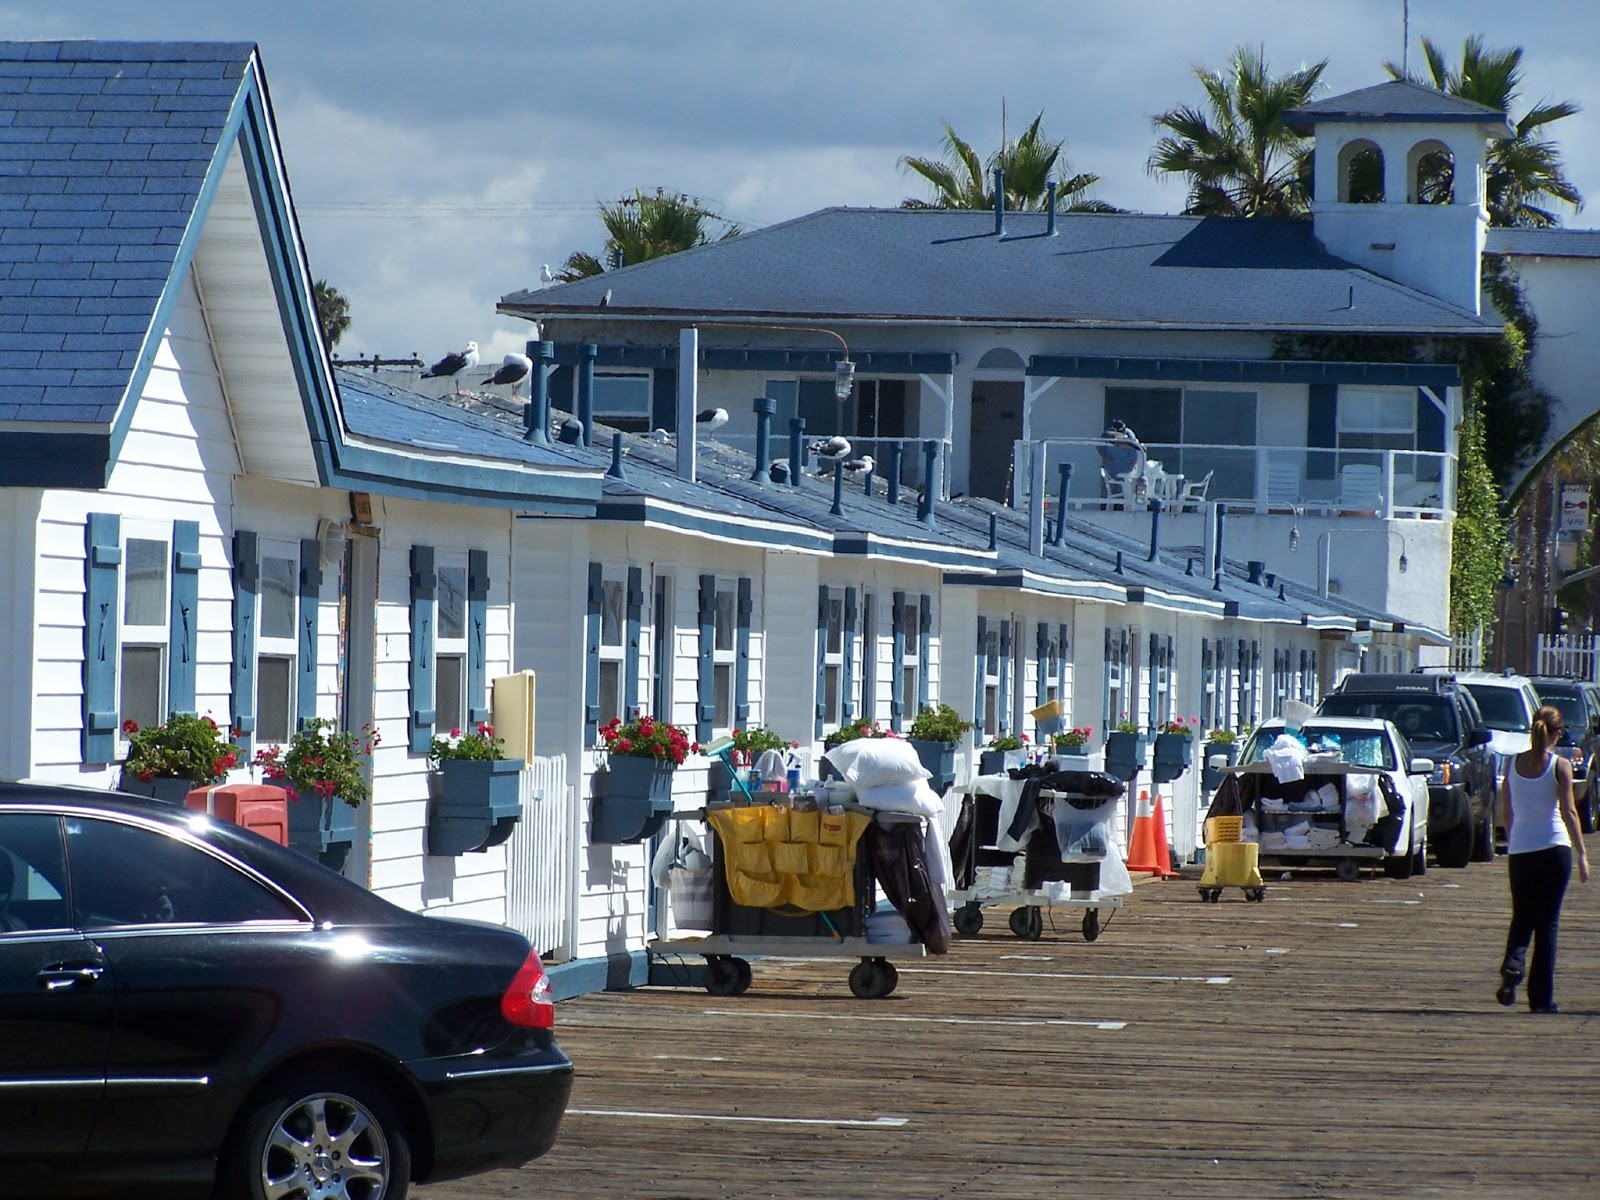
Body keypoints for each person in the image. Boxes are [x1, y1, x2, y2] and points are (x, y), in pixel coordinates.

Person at [1496, 704, 1588, 1012]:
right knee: (1547, 923)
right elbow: (1569, 811)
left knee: (1522, 915)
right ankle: (1541, 998)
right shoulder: (1559, 766)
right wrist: (1583, 853)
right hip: (1554, 849)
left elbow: (1508, 812)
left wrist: (1514, 840)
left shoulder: (1511, 764)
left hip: (1521, 850)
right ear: (1557, 733)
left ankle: (1513, 963)